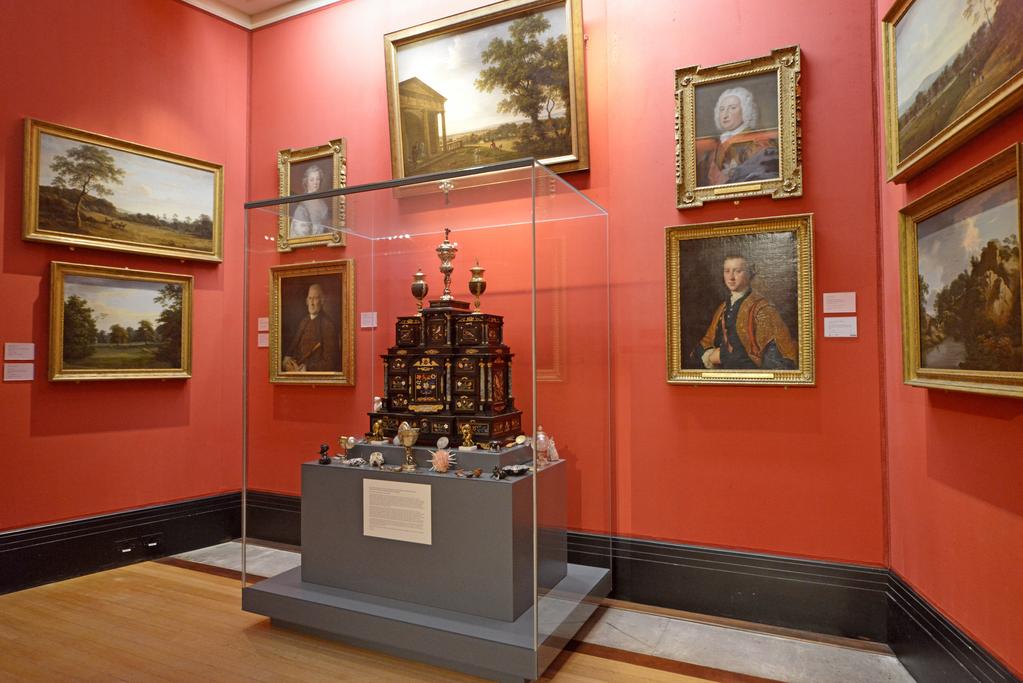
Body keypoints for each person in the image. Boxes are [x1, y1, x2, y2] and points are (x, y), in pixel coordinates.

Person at [697, 255, 797, 370]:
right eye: (727, 271)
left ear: (749, 274)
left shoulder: (763, 309)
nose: (731, 277)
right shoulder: (723, 308)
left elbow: (774, 359)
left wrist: (723, 357)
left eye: (737, 271)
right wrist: (708, 354)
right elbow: (706, 342)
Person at [695, 86, 779, 187]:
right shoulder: (714, 149)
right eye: (722, 109)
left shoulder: (759, 143)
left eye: (732, 108)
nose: (725, 115)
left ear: (745, 110)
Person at [282, 283, 340, 372]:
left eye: (315, 298)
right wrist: (286, 361)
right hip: (295, 370)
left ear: (322, 301)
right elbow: (292, 347)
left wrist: (307, 369)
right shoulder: (304, 321)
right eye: (310, 298)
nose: (312, 303)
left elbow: (330, 363)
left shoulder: (328, 325)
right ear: (306, 301)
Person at [290, 165, 330, 237]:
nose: (315, 182)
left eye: (317, 179)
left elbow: (327, 228)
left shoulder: (323, 204)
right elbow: (300, 234)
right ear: (306, 182)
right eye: (312, 180)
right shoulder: (302, 204)